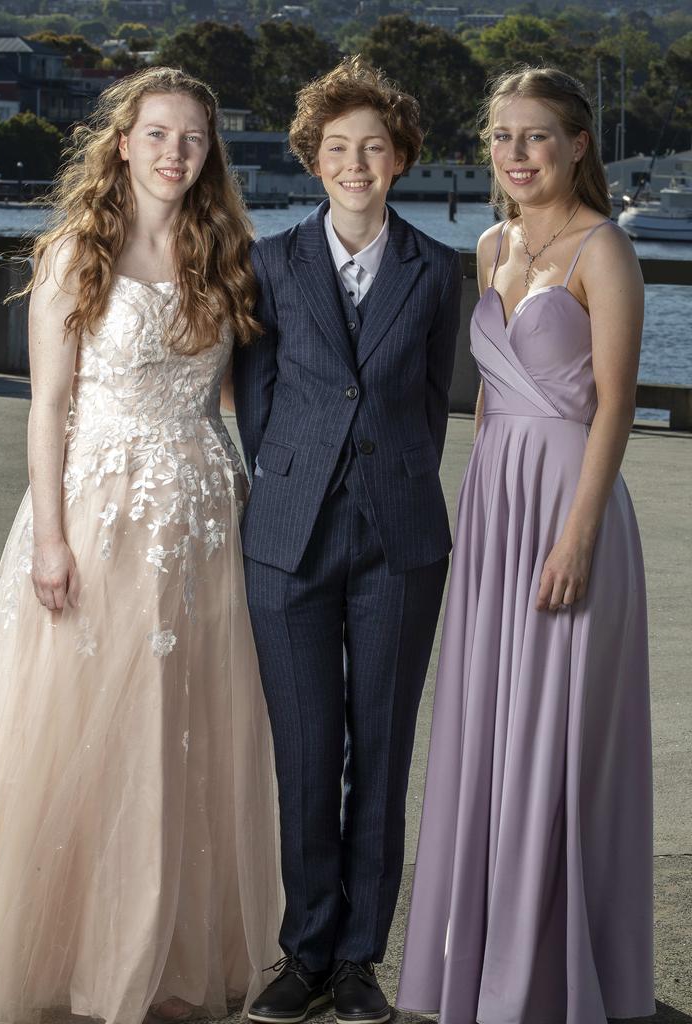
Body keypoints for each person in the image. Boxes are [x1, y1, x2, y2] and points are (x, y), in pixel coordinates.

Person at [0, 67, 281, 1024]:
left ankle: (169, 949)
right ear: (122, 142)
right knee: (84, 732)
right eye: (158, 134)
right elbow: (47, 406)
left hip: (204, 517)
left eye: (194, 139)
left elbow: (245, 396)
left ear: (211, 154)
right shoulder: (76, 251)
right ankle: (71, 954)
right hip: (97, 510)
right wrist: (49, 537)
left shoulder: (227, 250)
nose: (175, 153)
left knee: (187, 735)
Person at [397, 66, 654, 1024]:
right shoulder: (490, 243)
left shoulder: (606, 249)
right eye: (503, 135)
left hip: (569, 509)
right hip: (495, 508)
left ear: (579, 144)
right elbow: (489, 397)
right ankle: (485, 960)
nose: (517, 153)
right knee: (486, 731)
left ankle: (551, 972)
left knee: (555, 735)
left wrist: (577, 535)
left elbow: (617, 405)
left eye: (537, 135)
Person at [234, 56, 462, 1024]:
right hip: (286, 537)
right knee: (305, 749)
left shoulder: (440, 269)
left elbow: (430, 402)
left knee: (381, 751)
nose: (356, 162)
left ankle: (362, 960)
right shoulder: (272, 262)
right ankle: (305, 951)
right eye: (338, 148)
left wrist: (387, 480)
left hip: (400, 538)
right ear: (313, 161)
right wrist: (293, 484)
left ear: (402, 158)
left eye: (374, 146)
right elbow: (258, 399)